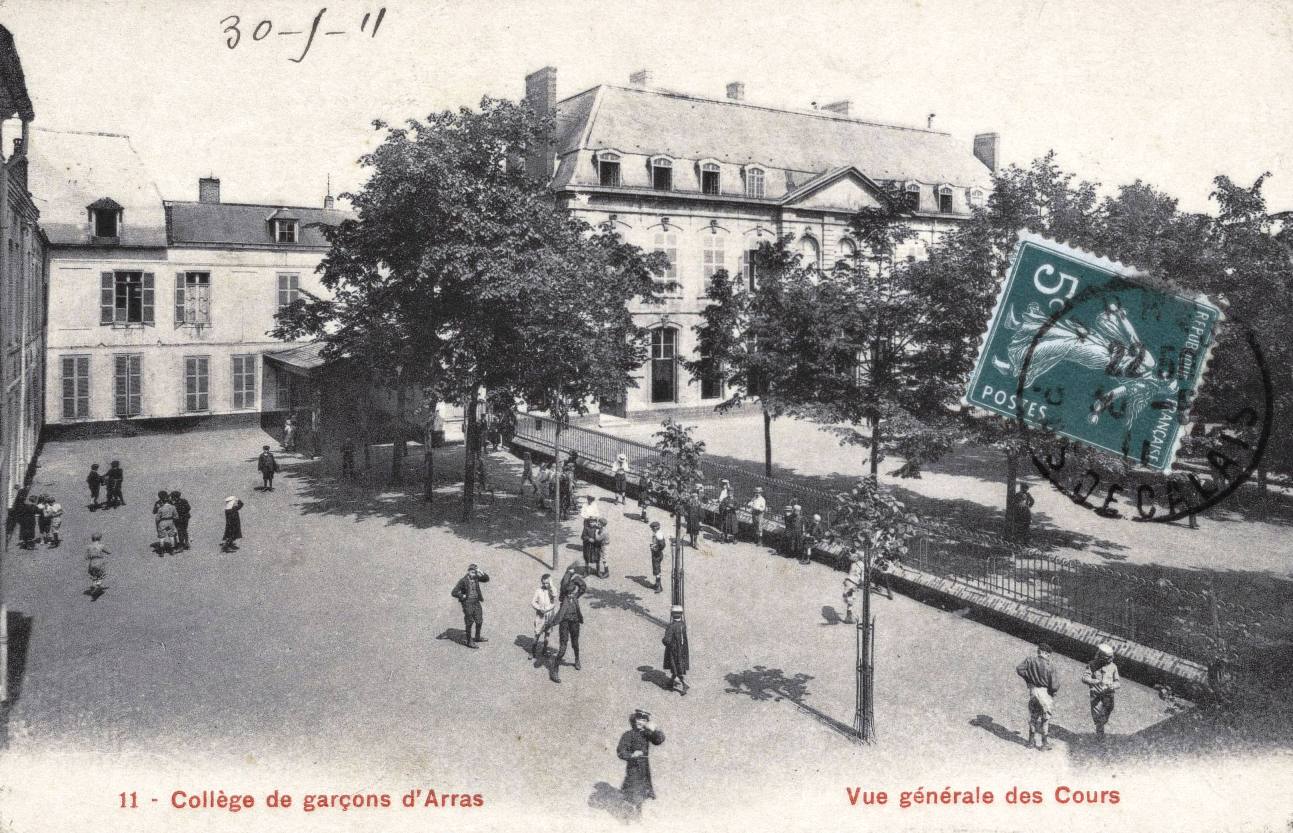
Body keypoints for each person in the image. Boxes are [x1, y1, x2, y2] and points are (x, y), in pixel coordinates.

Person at [617, 710, 665, 819]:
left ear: (647, 722)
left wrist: (655, 730)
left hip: (644, 769)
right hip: (633, 768)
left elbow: (659, 740)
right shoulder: (628, 734)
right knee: (632, 792)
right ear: (634, 719)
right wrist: (632, 755)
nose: (640, 722)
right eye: (638, 719)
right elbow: (621, 751)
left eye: (644, 720)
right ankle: (626, 820)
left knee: (642, 794)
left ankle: (637, 819)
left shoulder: (646, 734)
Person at [1016, 642, 1060, 751]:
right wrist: (1053, 692)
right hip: (1045, 693)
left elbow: (1019, 669)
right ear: (1046, 653)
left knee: (1033, 717)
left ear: (1039, 651)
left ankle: (1030, 742)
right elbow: (1054, 686)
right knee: (1045, 720)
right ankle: (1044, 744)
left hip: (1033, 691)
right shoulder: (1050, 666)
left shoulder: (1030, 660)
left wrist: (1029, 678)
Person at [551, 563, 587, 682]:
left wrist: (577, 578)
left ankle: (577, 659)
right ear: (566, 593)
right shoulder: (564, 597)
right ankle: (555, 670)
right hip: (565, 623)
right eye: (570, 593)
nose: (572, 594)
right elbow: (564, 584)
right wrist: (569, 572)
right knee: (563, 647)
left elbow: (583, 587)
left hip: (575, 622)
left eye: (573, 592)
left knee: (575, 643)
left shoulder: (575, 597)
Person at [1082, 643, 1121, 740]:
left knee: (1107, 712)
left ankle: (1101, 726)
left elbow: (1118, 682)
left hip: (1108, 695)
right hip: (1096, 695)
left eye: (1111, 657)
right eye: (1108, 658)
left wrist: (1113, 686)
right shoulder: (1092, 664)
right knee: (1098, 715)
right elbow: (1084, 678)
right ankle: (1100, 735)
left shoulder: (1113, 667)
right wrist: (1093, 681)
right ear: (1101, 657)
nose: (1110, 660)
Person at [451, 564, 491, 648]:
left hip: (476, 602)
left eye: (475, 572)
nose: (474, 574)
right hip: (468, 603)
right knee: (469, 622)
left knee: (479, 621)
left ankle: (477, 637)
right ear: (468, 571)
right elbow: (454, 592)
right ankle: (469, 641)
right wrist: (462, 596)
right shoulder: (463, 581)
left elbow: (486, 579)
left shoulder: (476, 578)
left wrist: (480, 571)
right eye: (472, 572)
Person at [662, 605, 689, 695]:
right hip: (682, 649)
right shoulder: (683, 624)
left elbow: (667, 640)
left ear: (672, 614)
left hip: (673, 650)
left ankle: (684, 684)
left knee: (675, 667)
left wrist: (664, 640)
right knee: (678, 665)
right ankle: (671, 682)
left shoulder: (671, 626)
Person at [530, 573, 557, 659]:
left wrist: (551, 585)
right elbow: (533, 602)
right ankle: (532, 652)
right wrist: (539, 608)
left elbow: (555, 595)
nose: (545, 585)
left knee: (547, 634)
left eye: (547, 583)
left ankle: (544, 650)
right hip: (540, 616)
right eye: (544, 583)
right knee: (537, 634)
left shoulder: (552, 590)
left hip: (549, 615)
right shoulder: (538, 591)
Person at [842, 551, 865, 624]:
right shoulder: (862, 564)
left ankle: (848, 617)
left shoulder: (853, 563)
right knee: (851, 599)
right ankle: (848, 617)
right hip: (854, 582)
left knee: (850, 599)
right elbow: (862, 577)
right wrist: (862, 583)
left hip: (847, 580)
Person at [86, 532, 109, 599]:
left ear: (92, 539)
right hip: (99, 563)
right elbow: (108, 552)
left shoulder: (89, 547)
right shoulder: (101, 546)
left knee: (94, 575)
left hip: (92, 563)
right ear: (100, 539)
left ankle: (94, 584)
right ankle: (98, 583)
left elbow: (86, 557)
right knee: (101, 574)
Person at [649, 521, 666, 594]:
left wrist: (656, 548)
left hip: (657, 554)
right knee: (656, 569)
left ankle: (659, 586)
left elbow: (662, 545)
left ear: (655, 528)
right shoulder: (657, 533)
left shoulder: (659, 535)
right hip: (656, 553)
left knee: (657, 570)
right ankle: (657, 584)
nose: (651, 529)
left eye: (652, 528)